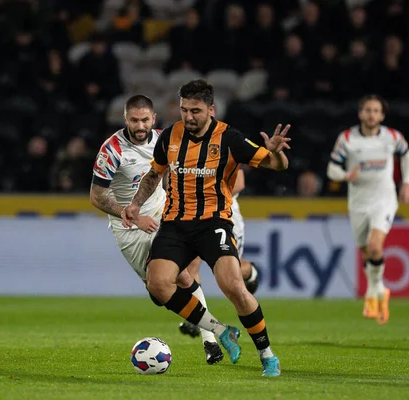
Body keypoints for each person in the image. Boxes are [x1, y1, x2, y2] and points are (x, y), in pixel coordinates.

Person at [122, 79, 291, 377]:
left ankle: (267, 355)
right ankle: (222, 331)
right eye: (184, 109)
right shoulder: (170, 136)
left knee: (234, 287)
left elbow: (279, 167)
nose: (188, 116)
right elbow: (153, 175)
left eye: (196, 111)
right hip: (175, 224)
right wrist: (135, 204)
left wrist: (275, 151)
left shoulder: (229, 138)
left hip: (213, 223)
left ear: (211, 110)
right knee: (158, 285)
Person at [90, 94, 236, 365]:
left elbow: (168, 173)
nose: (140, 125)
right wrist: (130, 215)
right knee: (159, 291)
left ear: (153, 119)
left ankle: (212, 339)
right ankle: (201, 323)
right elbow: (96, 196)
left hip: (163, 215)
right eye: (134, 120)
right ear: (125, 119)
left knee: (182, 274)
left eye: (145, 119)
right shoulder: (112, 150)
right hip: (129, 227)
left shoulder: (163, 140)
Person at [326, 94, 409, 325]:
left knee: (376, 246)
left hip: (384, 199)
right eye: (367, 110)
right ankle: (378, 290)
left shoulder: (392, 137)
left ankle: (373, 291)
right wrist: (345, 175)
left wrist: (406, 183)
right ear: (360, 113)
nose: (371, 114)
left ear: (382, 115)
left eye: (376, 111)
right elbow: (331, 169)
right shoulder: (346, 139)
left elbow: (407, 156)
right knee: (367, 252)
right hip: (358, 202)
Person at [178, 168, 261, 335]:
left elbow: (239, 181)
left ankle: (249, 271)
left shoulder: (221, 144)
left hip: (225, 216)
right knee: (190, 266)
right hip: (194, 214)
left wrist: (208, 195)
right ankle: (196, 318)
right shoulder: (184, 148)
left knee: (230, 272)